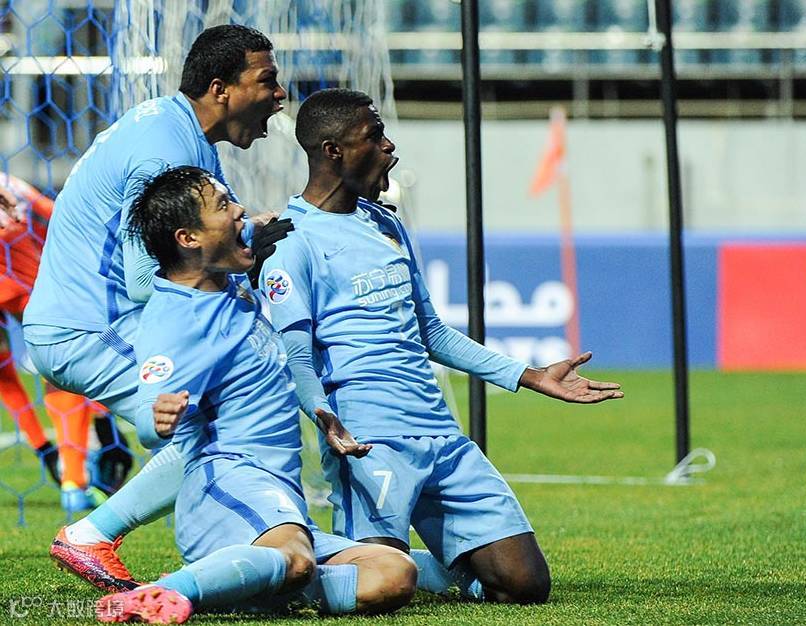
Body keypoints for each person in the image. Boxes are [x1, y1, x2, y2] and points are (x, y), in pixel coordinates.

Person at [261, 88, 624, 605]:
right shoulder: (291, 240)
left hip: (439, 431)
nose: (389, 146)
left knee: (525, 585)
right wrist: (324, 415)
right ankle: (270, 573)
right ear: (332, 150)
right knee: (381, 586)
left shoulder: (386, 224)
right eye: (374, 136)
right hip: (368, 439)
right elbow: (295, 354)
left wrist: (528, 375)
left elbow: (431, 331)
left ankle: (428, 570)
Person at [20, 24, 292, 591]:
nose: (280, 94)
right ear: (221, 89)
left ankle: (240, 552)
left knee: (227, 413)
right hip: (92, 325)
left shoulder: (176, 129)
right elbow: (147, 279)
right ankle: (93, 535)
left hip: (101, 319)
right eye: (267, 80)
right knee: (213, 430)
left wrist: (245, 241)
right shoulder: (166, 150)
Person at [94, 165, 415, 624]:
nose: (239, 209)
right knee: (296, 559)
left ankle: (238, 583)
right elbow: (149, 416)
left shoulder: (227, 286)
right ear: (188, 238)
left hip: (277, 493)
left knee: (393, 572)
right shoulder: (175, 320)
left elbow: (258, 239)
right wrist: (158, 416)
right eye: (223, 205)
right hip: (227, 484)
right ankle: (163, 593)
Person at [0, 174, 133, 512]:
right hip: (26, 277)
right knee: (62, 358)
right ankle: (76, 474)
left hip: (19, 273)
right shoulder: (13, 185)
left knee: (6, 371)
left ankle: (52, 454)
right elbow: (62, 216)